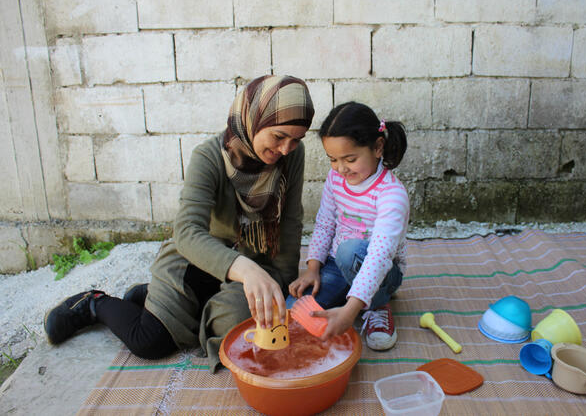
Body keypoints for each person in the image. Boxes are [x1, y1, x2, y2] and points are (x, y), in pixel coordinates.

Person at [44, 75, 314, 370]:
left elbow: (289, 221)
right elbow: (186, 232)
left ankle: (152, 298)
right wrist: (246, 271)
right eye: (279, 136)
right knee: (150, 341)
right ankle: (94, 303)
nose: (287, 148)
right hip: (201, 260)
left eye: (296, 139)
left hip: (252, 263)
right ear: (253, 118)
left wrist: (282, 283)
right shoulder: (209, 157)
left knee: (245, 328)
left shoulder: (292, 156)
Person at [288, 101, 409, 351]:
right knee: (294, 312)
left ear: (377, 147)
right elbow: (324, 223)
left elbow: (379, 256)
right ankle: (350, 295)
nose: (341, 168)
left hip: (382, 269)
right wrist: (313, 269)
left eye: (350, 159)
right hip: (336, 265)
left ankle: (377, 303)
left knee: (350, 250)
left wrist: (349, 312)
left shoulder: (391, 195)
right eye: (333, 159)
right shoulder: (336, 179)